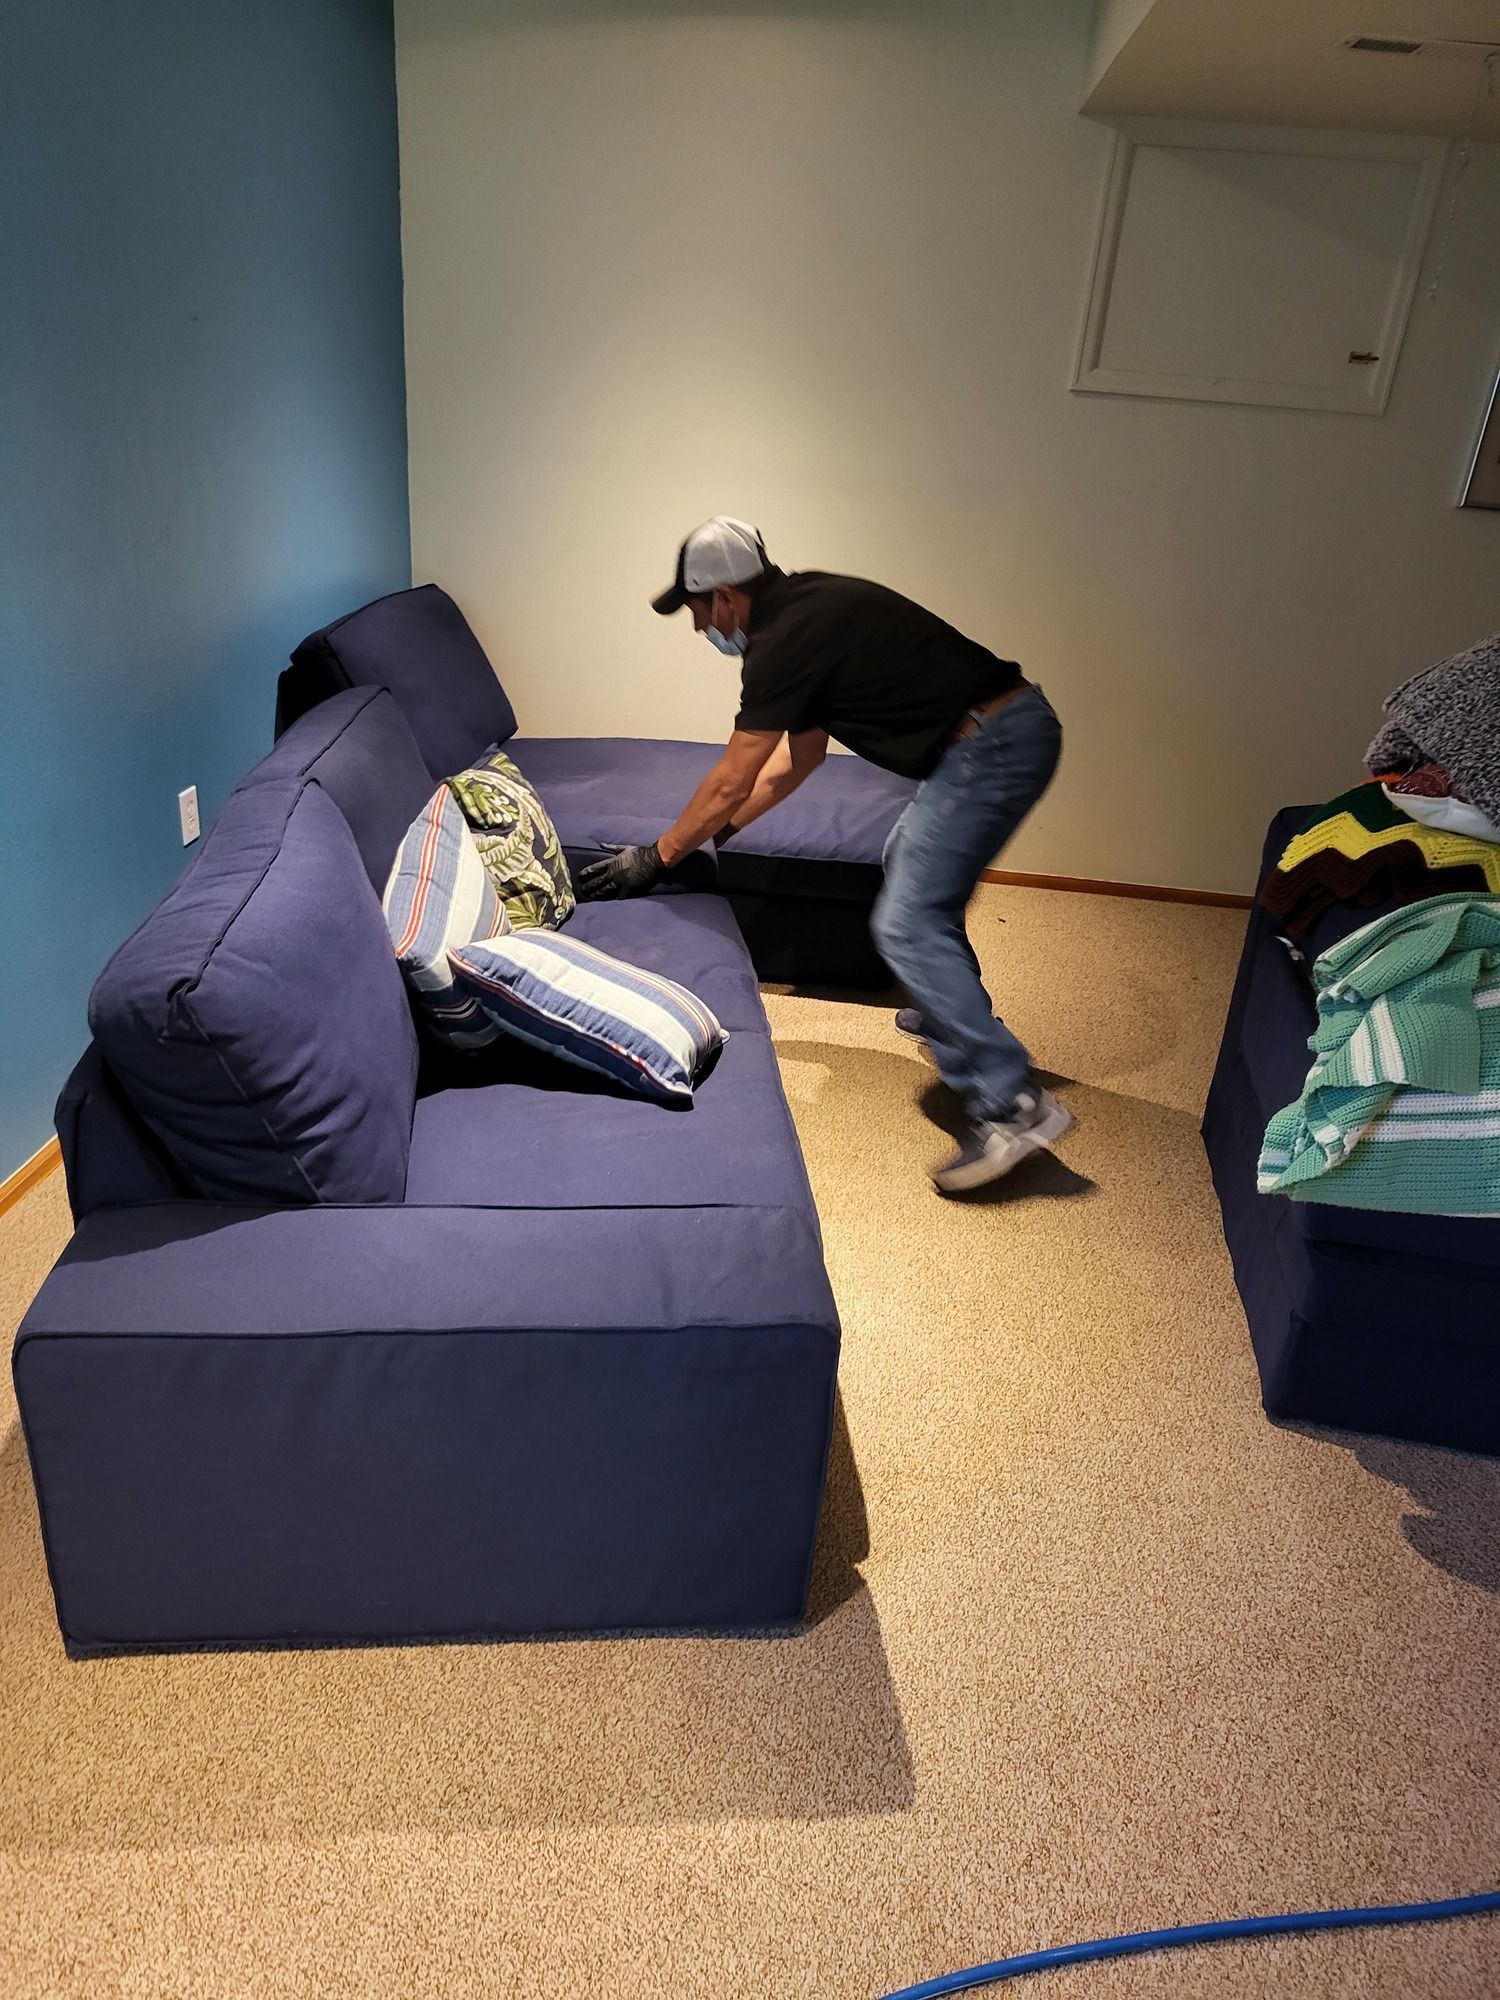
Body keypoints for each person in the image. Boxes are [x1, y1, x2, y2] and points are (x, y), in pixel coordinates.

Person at [575, 517, 1070, 1193]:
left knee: (905, 921)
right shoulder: (802, 617)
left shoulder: (784, 640)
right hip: (987, 738)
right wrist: (712, 840)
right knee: (912, 877)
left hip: (992, 744)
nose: (699, 630)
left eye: (696, 612)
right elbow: (796, 763)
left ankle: (1013, 1104)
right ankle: (954, 1009)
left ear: (724, 596)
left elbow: (732, 778)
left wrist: (656, 858)